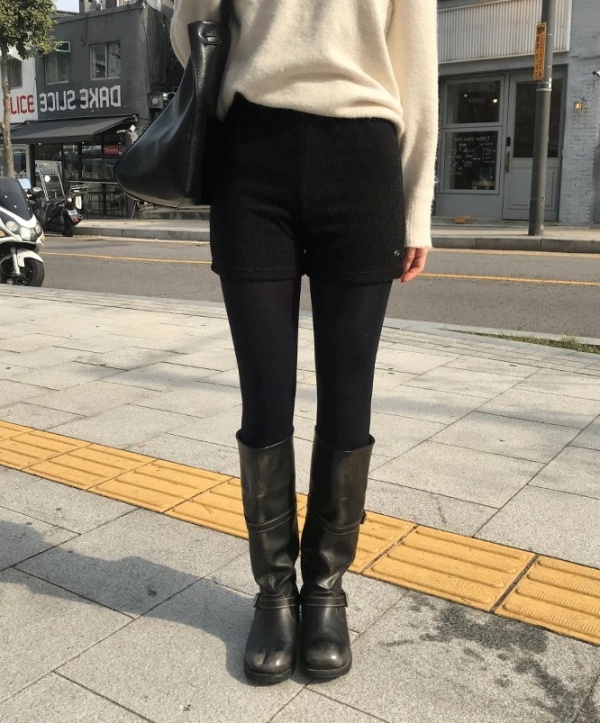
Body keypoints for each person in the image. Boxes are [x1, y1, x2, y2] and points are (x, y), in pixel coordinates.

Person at [170, 0, 438, 685]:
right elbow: (190, 31)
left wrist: (417, 206)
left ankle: (324, 589)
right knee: (264, 398)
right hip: (251, 159)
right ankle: (274, 591)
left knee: (349, 398)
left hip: (365, 155)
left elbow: (416, 65)